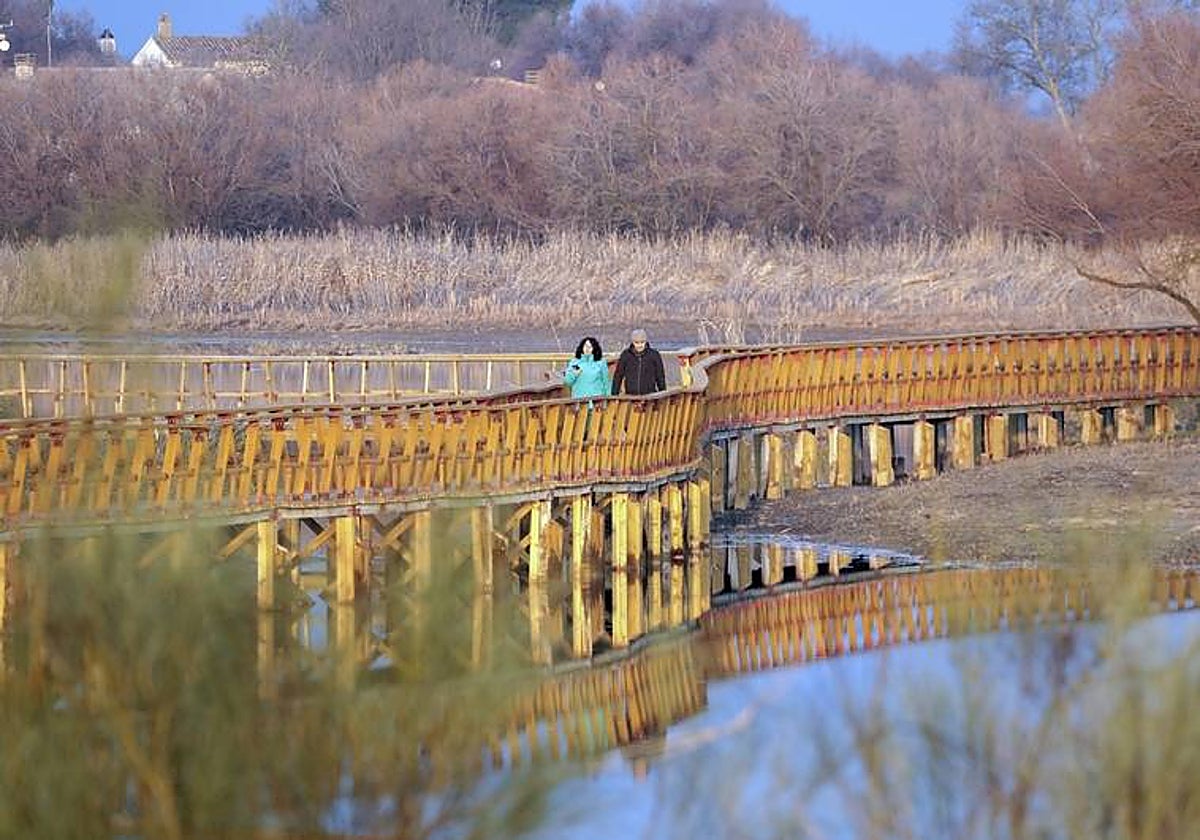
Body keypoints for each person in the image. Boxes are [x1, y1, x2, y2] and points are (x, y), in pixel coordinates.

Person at [611, 328, 666, 395]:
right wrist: (614, 394)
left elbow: (660, 377)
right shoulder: (626, 355)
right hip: (631, 396)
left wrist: (663, 394)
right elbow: (618, 376)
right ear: (632, 342)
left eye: (642, 342)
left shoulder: (654, 355)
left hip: (650, 396)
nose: (639, 345)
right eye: (636, 342)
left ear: (646, 341)